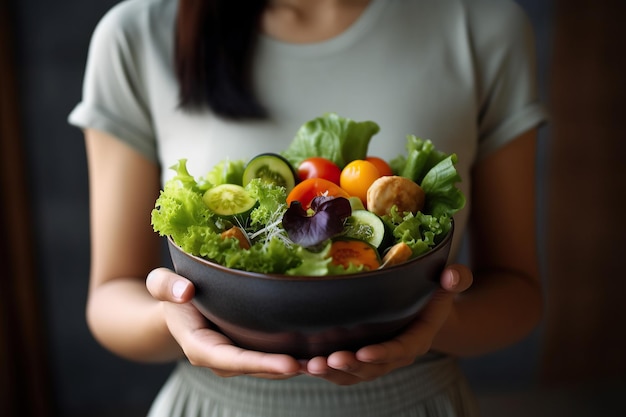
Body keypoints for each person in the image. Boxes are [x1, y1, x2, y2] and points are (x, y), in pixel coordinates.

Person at [69, 0, 547, 415]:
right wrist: (176, 320)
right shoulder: (136, 34)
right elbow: (110, 298)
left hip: (418, 402)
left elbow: (518, 294)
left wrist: (439, 321)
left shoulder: (482, 26)